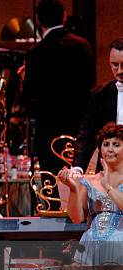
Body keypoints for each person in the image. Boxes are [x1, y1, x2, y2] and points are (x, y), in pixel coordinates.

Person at [55, 123, 123, 270]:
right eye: (106, 144)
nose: (110, 149)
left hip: (119, 250)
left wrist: (108, 187)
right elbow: (77, 217)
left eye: (116, 144)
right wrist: (74, 189)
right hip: (90, 248)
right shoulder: (89, 181)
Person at [22, 0, 94, 175]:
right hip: (79, 128)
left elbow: (29, 98)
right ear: (64, 16)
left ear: (38, 20)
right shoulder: (82, 46)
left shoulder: (35, 53)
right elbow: (91, 87)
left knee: (52, 185)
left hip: (48, 132)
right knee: (78, 179)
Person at [72, 37, 123, 173]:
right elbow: (86, 134)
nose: (119, 71)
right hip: (106, 171)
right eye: (114, 65)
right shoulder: (100, 94)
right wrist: (77, 168)